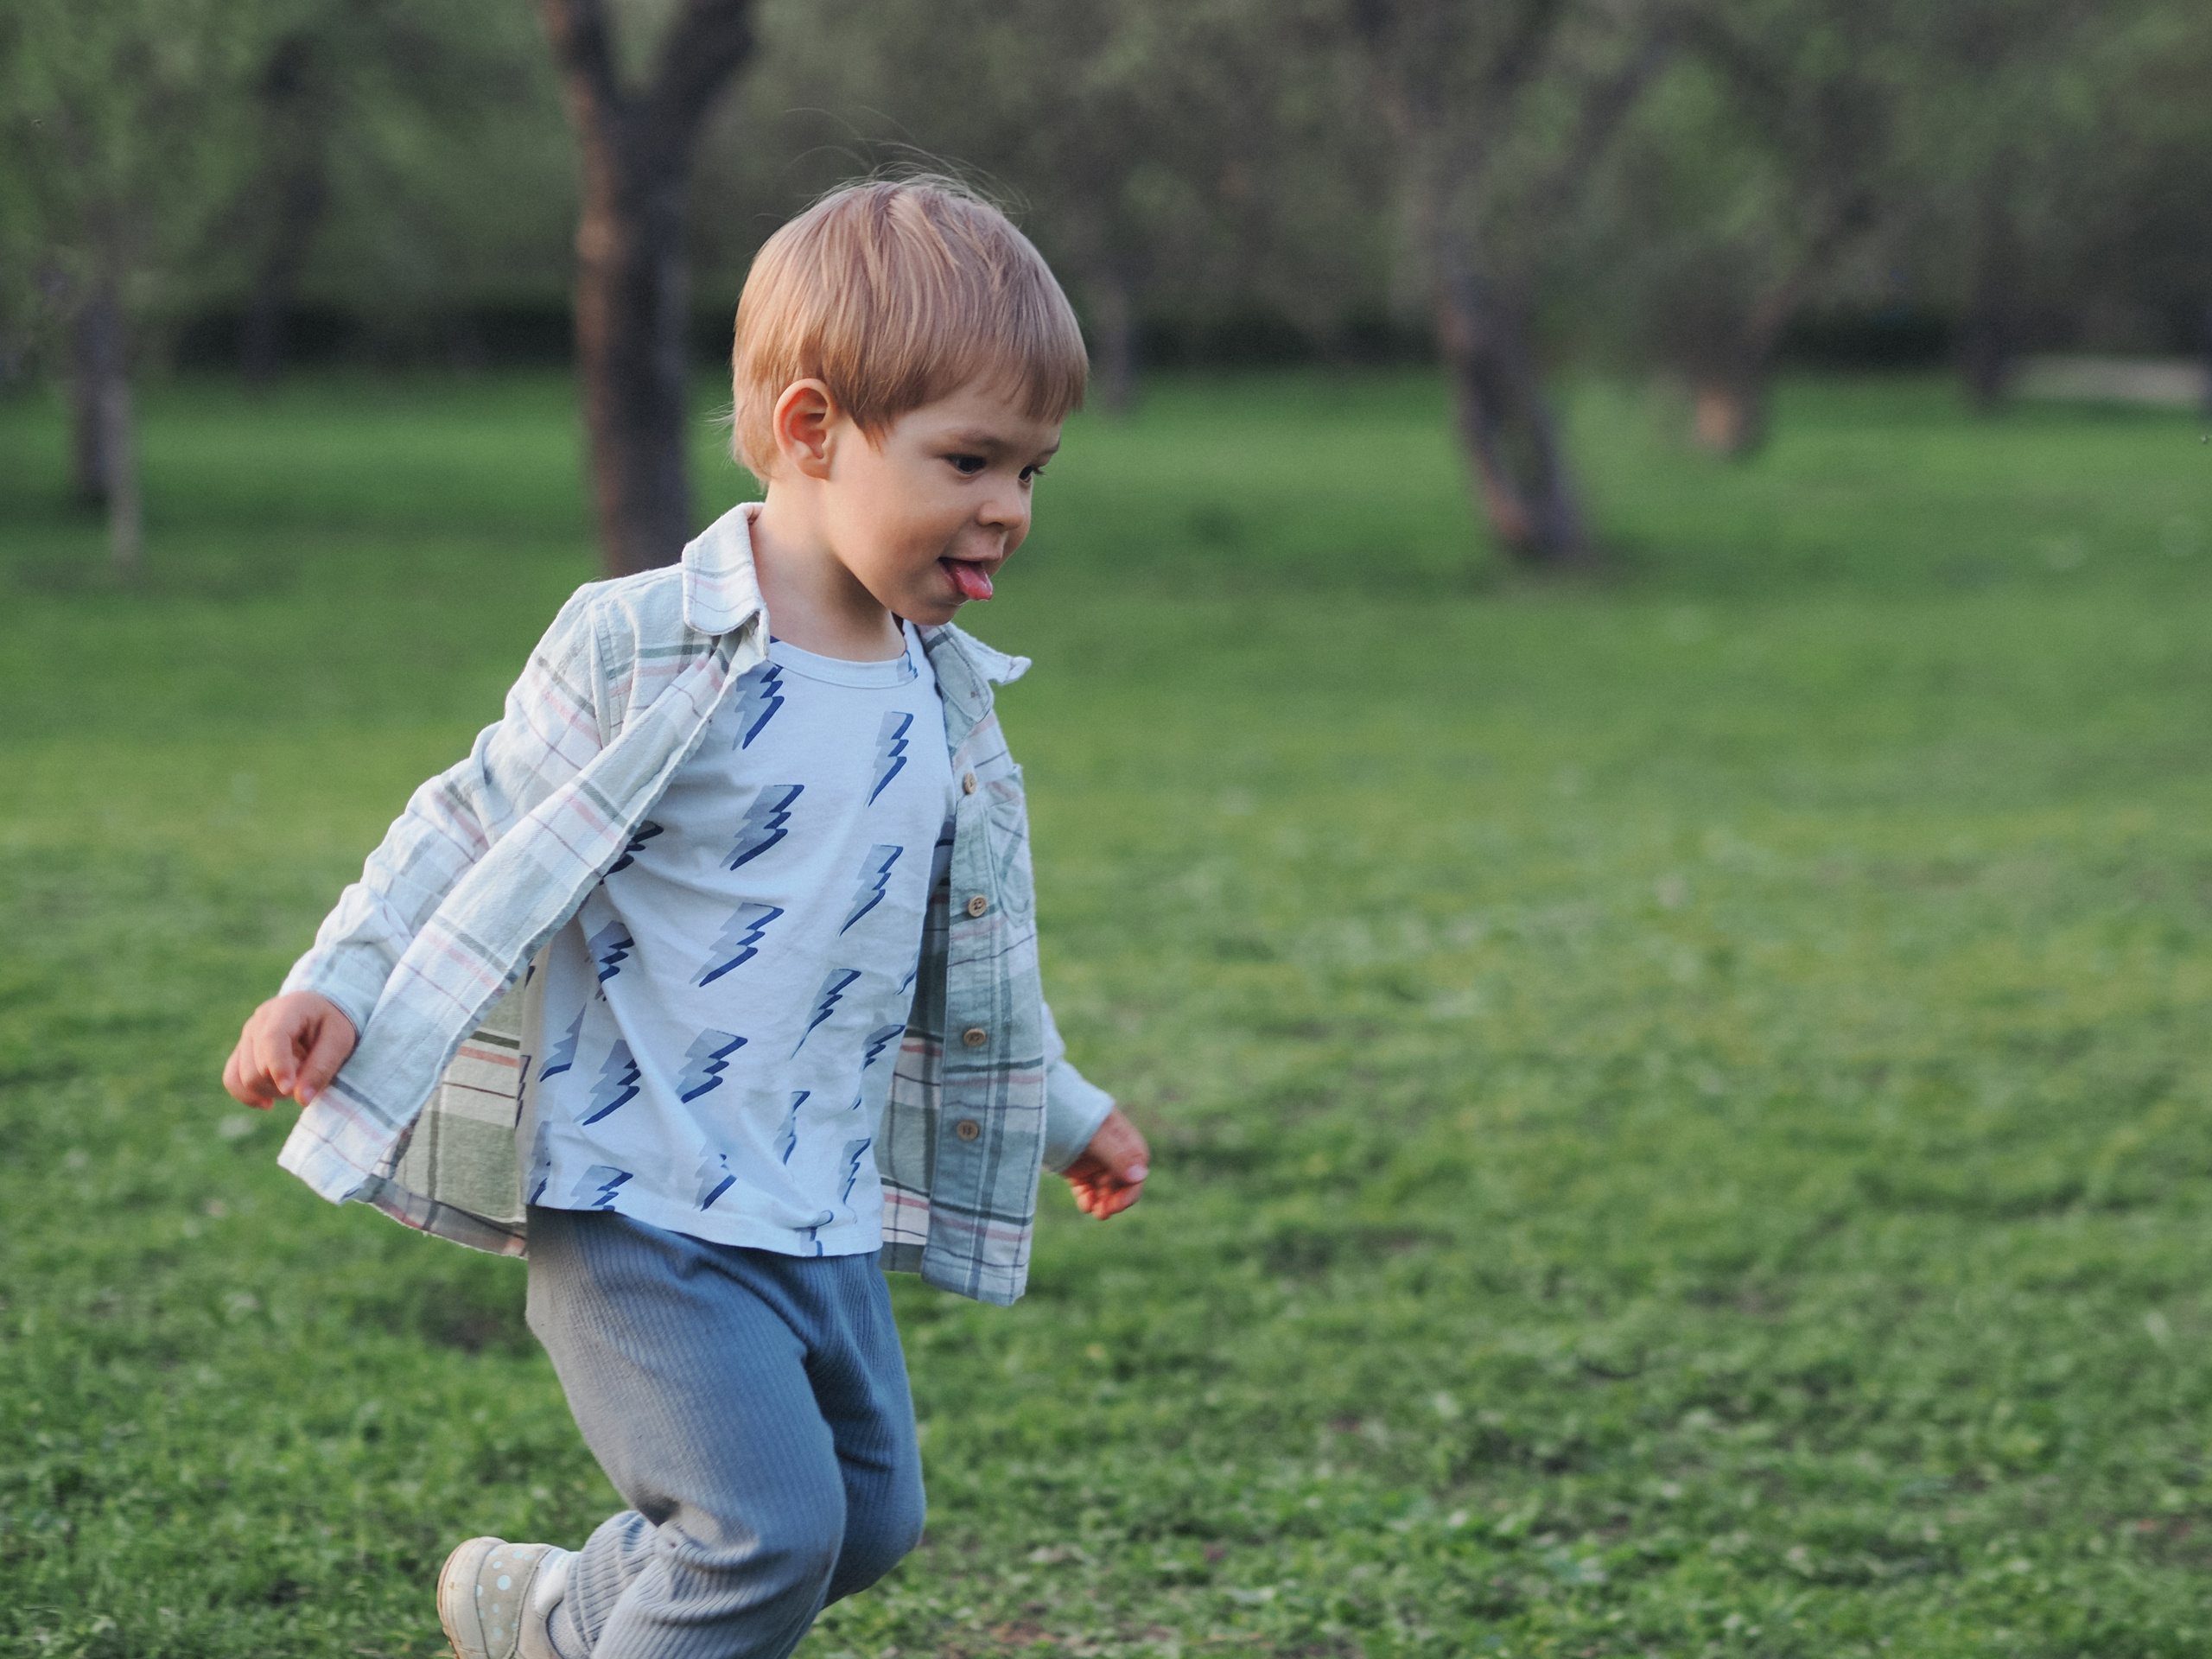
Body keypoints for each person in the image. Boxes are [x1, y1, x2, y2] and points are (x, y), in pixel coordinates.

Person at [219, 176, 1150, 1659]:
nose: (1010, 509)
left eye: (1035, 471)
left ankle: (555, 1613)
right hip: (637, 1192)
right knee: (762, 1539)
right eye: (971, 459)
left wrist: (1066, 1107)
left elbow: (963, 952)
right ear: (810, 430)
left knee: (867, 1518)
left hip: (815, 1200)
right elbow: (469, 812)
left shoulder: (939, 689)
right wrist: (337, 972)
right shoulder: (643, 644)